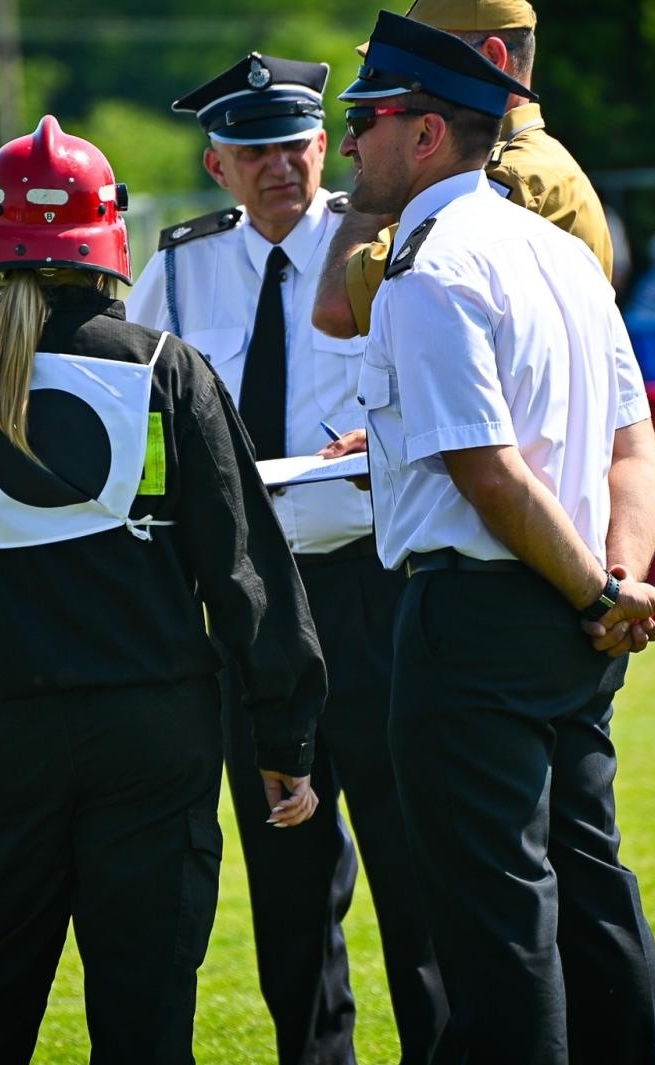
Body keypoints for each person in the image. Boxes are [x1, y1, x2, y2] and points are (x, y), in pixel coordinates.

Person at [0, 115, 326, 1065]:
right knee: (146, 1019)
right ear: (107, 234)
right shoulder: (169, 373)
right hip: (153, 738)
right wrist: (285, 737)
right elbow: (246, 573)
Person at [330, 12, 655, 1062]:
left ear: (427, 133)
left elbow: (486, 469)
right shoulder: (563, 257)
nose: (350, 141)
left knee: (497, 931)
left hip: (476, 620)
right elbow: (634, 450)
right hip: (572, 620)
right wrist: (611, 586)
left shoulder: (429, 269)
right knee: (592, 895)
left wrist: (600, 594)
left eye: (368, 117)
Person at [124, 51, 449, 1065]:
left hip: (370, 585)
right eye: (253, 152)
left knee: (411, 861)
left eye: (295, 146)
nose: (279, 167)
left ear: (324, 147)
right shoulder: (178, 272)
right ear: (216, 165)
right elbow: (133, 414)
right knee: (286, 875)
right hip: (252, 607)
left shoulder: (385, 248)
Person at [313, 0, 618, 341]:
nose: (409, 74)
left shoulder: (506, 179)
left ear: (491, 59)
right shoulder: (530, 164)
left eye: (427, 57)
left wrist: (380, 181)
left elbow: (336, 308)